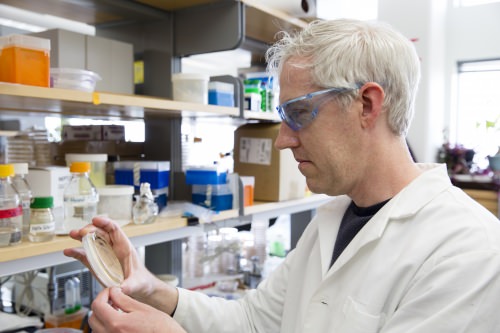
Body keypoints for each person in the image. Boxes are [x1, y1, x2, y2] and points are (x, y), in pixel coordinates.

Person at [64, 18, 500, 332]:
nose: (282, 140)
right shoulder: (332, 220)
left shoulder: (469, 252)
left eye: (299, 113)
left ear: (367, 104)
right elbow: (254, 322)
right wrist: (153, 290)